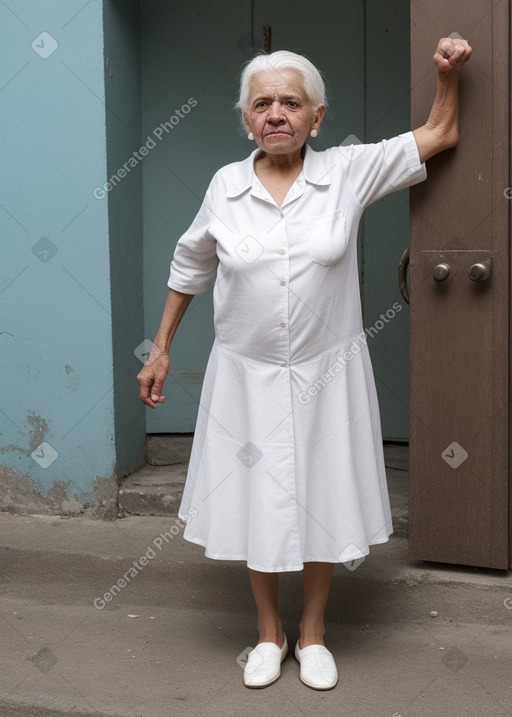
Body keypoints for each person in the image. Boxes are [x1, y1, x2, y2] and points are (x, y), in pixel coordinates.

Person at [138, 37, 472, 690]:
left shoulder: (347, 171)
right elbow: (190, 265)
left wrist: (445, 73)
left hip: (327, 371)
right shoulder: (225, 187)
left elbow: (441, 131)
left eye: (291, 102)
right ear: (246, 119)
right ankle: (268, 632)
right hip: (246, 374)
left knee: (320, 495)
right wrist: (161, 346)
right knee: (257, 499)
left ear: (317, 117)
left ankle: (313, 631)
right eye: (262, 103)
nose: (277, 113)